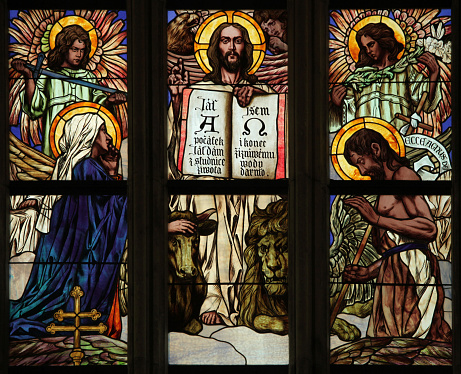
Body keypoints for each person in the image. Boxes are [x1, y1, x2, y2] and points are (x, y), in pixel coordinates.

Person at [168, 22, 278, 326]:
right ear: (216, 47)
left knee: (263, 191)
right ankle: (213, 296)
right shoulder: (199, 91)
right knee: (204, 188)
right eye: (226, 41)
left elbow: (276, 147)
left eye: (238, 41)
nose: (232, 48)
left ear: (247, 48)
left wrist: (256, 97)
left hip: (248, 176)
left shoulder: (262, 91)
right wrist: (178, 100)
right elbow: (178, 150)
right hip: (212, 177)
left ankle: (250, 295)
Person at [9, 113, 127, 340]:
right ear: (89, 135)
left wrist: (111, 174)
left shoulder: (74, 166)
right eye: (103, 131)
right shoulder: (88, 168)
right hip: (82, 257)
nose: (109, 136)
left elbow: (102, 205)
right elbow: (108, 212)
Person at [342, 128, 452, 342]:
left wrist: (377, 219)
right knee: (386, 344)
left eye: (361, 162)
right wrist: (368, 272)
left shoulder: (403, 175)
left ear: (375, 149)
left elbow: (428, 229)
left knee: (408, 341)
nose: (362, 171)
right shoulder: (384, 186)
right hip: (392, 273)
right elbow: (396, 249)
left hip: (413, 272)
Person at [12, 24, 126, 157]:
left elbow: (98, 108)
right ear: (63, 49)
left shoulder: (88, 77)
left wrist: (108, 101)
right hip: (56, 139)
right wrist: (28, 76)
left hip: (84, 142)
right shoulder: (48, 75)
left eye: (82, 50)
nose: (79, 54)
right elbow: (35, 107)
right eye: (74, 49)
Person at [330, 22, 442, 133]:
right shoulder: (359, 79)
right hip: (366, 140)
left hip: (399, 138)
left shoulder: (405, 71)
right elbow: (349, 116)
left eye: (371, 44)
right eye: (365, 48)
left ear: (383, 41)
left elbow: (426, 102)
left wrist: (434, 73)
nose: (368, 51)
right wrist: (337, 105)